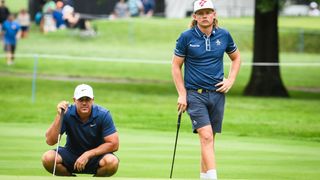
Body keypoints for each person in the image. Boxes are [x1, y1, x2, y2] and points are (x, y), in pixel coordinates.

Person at [171, 0, 241, 180]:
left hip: (217, 94)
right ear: (195, 17)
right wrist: (182, 94)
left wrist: (230, 80)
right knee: (207, 137)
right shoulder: (186, 37)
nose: (204, 16)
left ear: (214, 14)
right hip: (195, 94)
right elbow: (175, 66)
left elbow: (236, 58)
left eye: (208, 12)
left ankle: (204, 177)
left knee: (209, 141)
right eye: (200, 13)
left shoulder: (224, 35)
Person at [41, 84, 119, 177]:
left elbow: (114, 144)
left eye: (87, 99)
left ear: (93, 100)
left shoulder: (103, 114)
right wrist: (59, 115)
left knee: (112, 162)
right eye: (81, 99)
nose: (84, 103)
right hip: (71, 154)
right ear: (74, 100)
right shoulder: (67, 112)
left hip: (96, 157)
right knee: (48, 158)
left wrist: (88, 154)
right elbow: (50, 141)